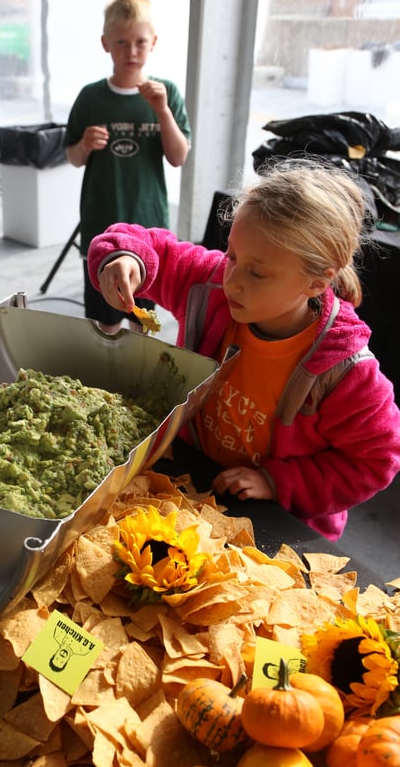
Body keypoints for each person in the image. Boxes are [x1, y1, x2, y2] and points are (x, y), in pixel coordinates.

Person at [87, 160, 400, 540]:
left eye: (257, 272)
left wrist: (278, 481)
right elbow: (142, 242)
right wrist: (123, 258)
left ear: (317, 282)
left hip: (277, 520)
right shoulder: (210, 285)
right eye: (233, 255)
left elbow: (376, 460)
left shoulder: (346, 371)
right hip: (193, 476)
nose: (232, 280)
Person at [64, 0, 191, 334]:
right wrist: (85, 145)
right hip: (101, 228)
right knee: (102, 322)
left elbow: (178, 157)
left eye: (139, 42)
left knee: (143, 322)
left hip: (147, 228)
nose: (131, 51)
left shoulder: (167, 93)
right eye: (121, 42)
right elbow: (72, 157)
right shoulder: (91, 97)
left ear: (154, 43)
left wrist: (162, 111)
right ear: (106, 43)